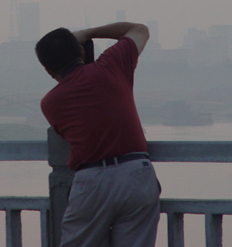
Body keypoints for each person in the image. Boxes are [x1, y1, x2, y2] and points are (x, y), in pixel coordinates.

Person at [36, 22, 160, 247]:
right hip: (136, 174)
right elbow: (140, 30)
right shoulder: (112, 65)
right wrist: (89, 33)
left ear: (48, 71)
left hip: (91, 182)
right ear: (81, 51)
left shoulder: (50, 103)